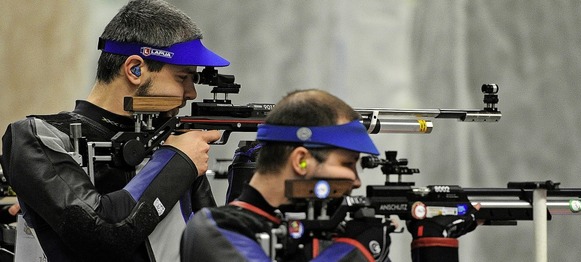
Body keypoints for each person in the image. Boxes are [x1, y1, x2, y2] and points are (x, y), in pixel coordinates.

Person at [0, 0, 225, 261]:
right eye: (182, 78)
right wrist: (178, 161)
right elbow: (101, 233)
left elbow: (212, 246)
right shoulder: (36, 136)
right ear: (135, 69)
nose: (191, 93)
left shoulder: (170, 143)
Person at [180, 89, 479, 262]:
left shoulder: (334, 230)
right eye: (348, 164)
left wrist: (435, 244)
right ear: (301, 161)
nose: (357, 180)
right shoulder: (215, 229)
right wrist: (357, 250)